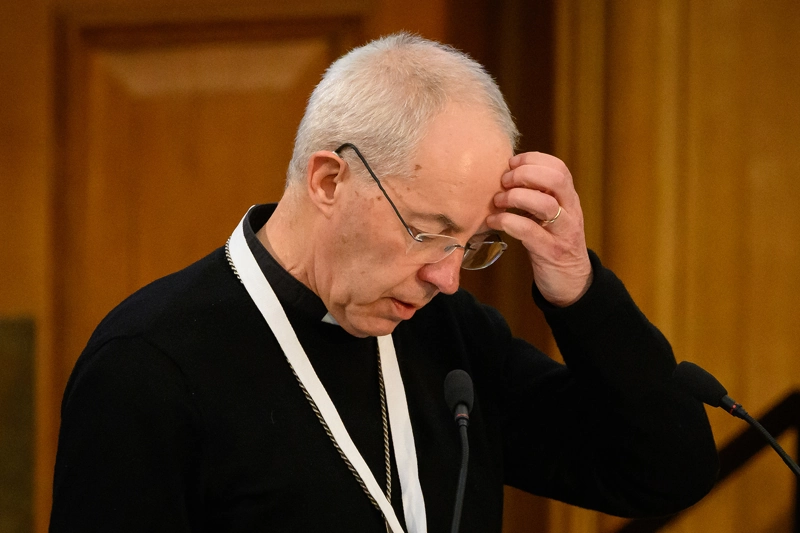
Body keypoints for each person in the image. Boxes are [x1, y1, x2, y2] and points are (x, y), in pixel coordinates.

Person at [50, 33, 718, 533]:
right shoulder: (148, 365)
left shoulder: (449, 337)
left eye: (475, 244)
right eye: (426, 230)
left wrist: (579, 289)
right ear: (328, 180)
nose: (448, 277)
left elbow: (666, 469)